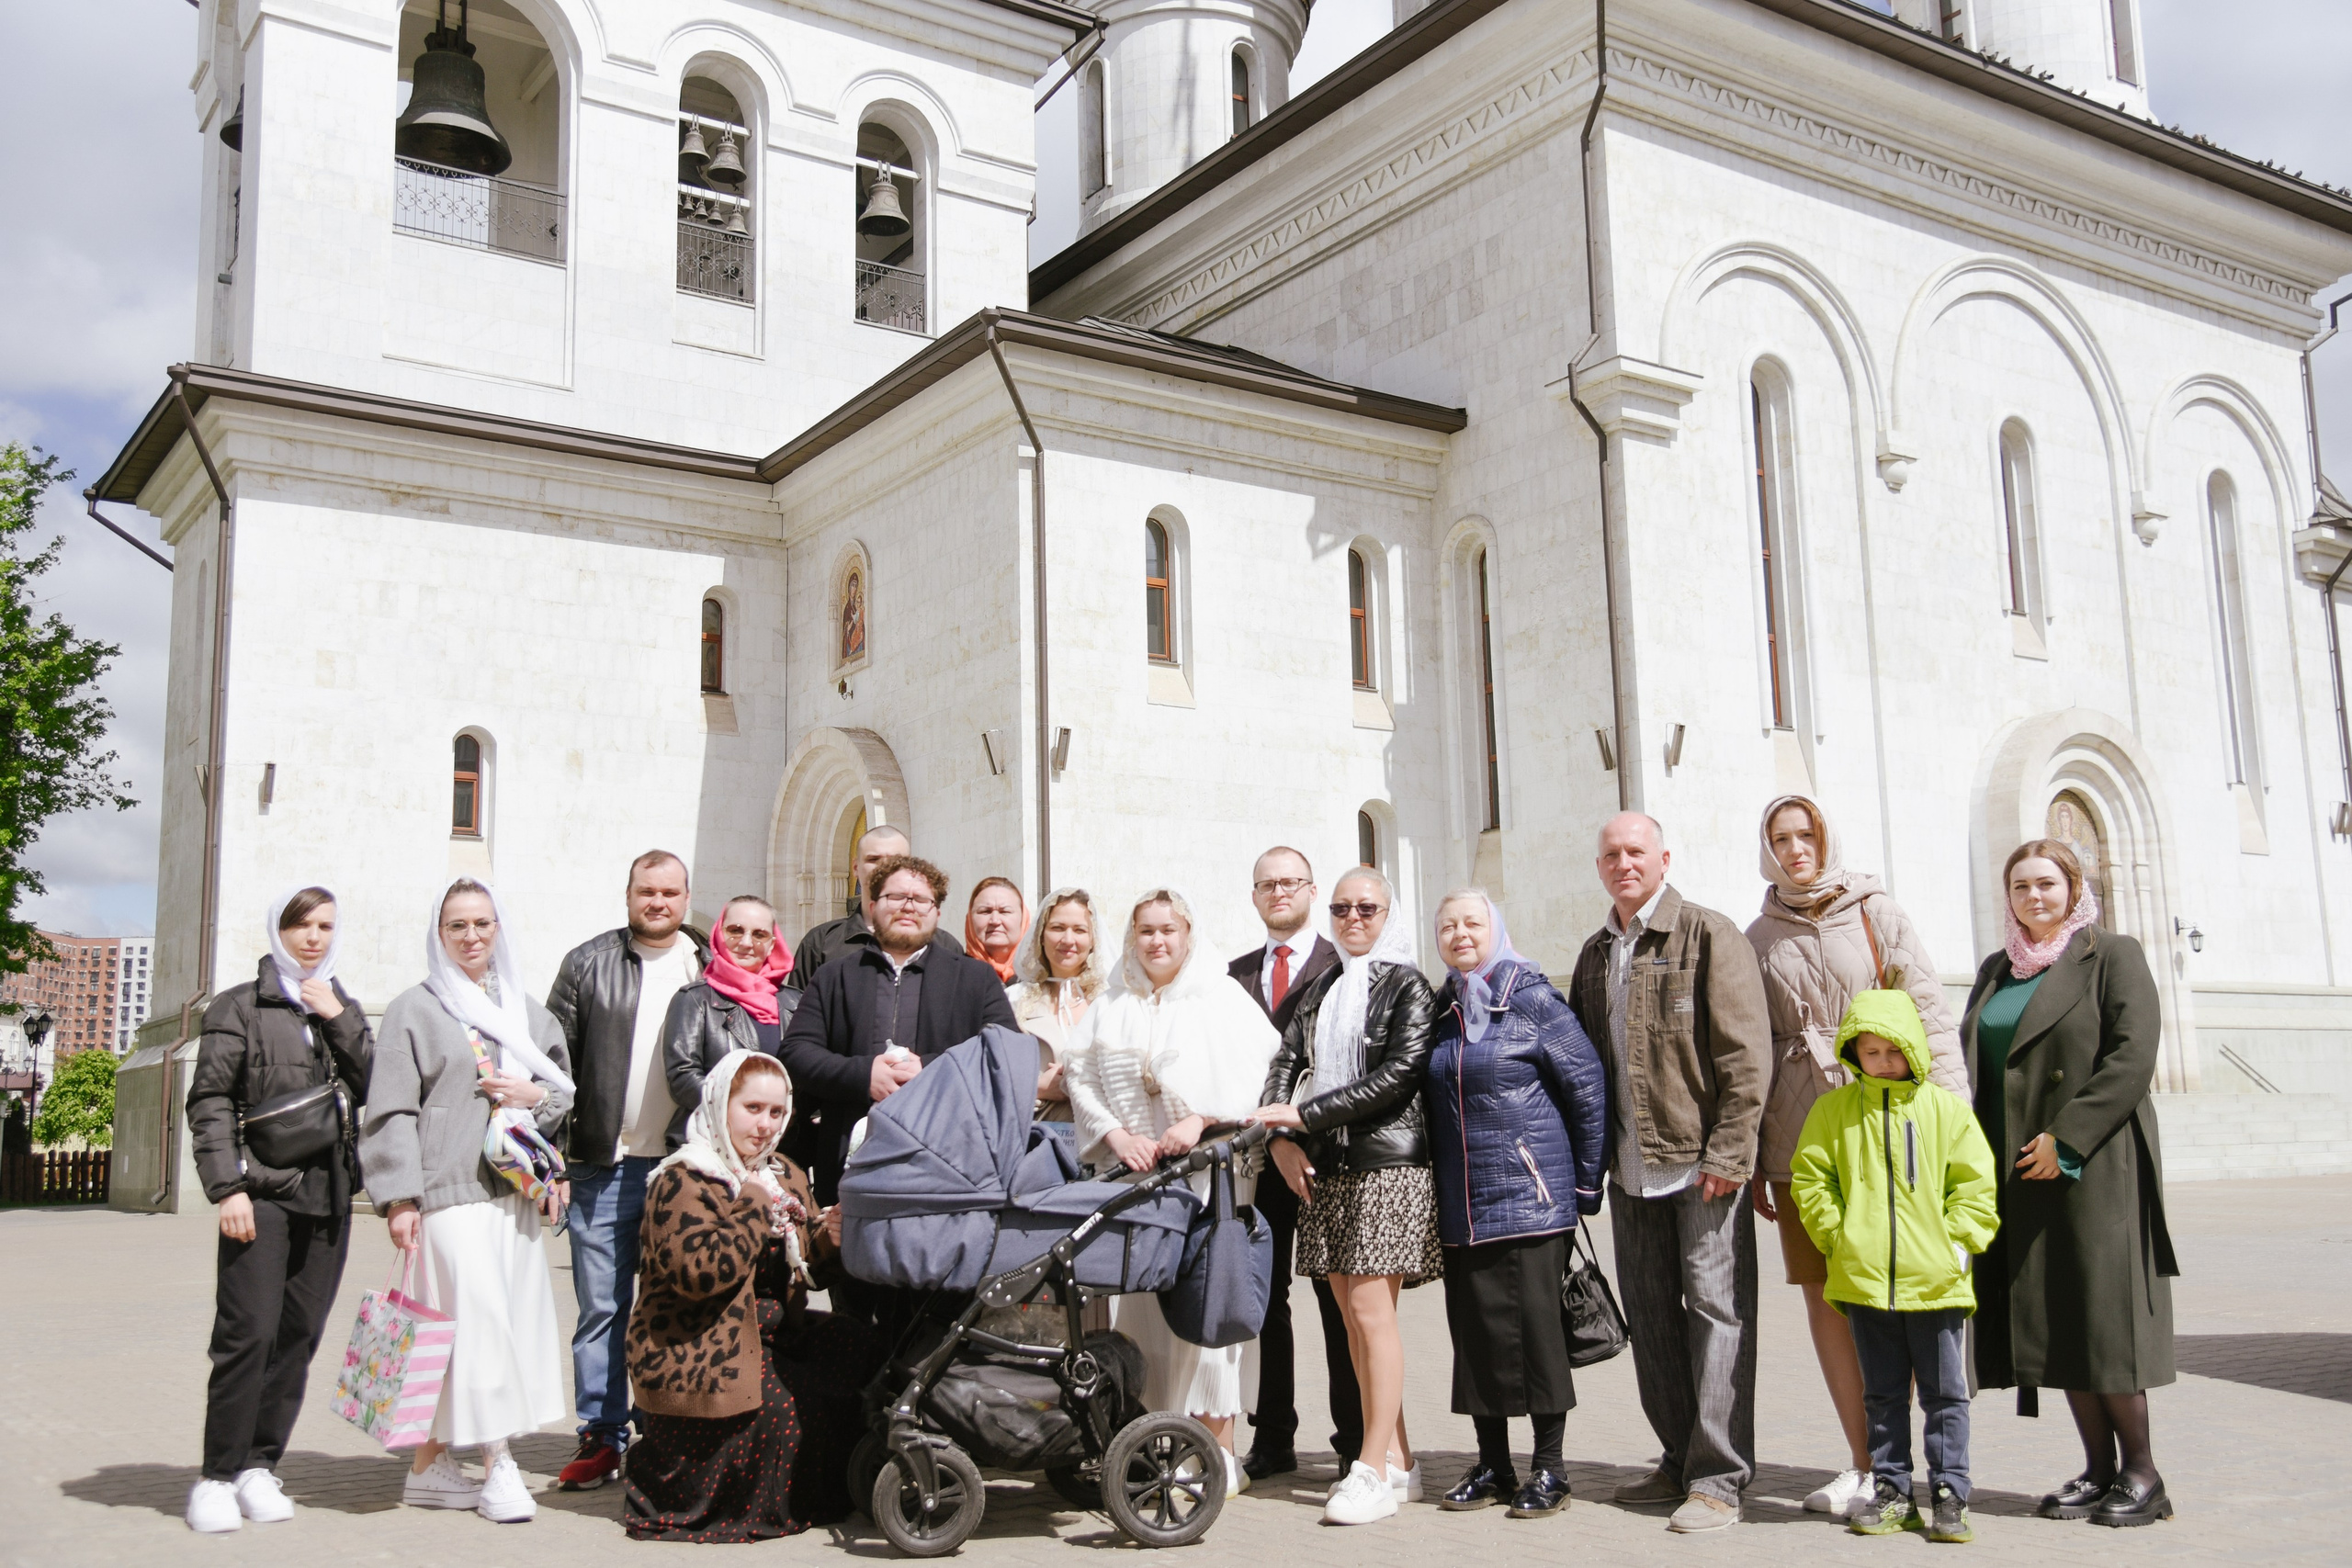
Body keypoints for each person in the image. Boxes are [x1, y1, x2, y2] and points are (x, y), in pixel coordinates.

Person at [1745, 794, 1969, 1518]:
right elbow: (1749, 1046)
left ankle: (1902, 1466)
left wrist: (1952, 1123)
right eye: (1782, 838)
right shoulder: (1758, 933)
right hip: (1801, 1139)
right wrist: (1750, 1149)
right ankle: (1865, 1462)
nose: (1796, 848)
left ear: (1827, 837)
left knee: (1894, 1299)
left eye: (1806, 834)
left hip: (1889, 1132)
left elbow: (1929, 1014)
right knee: (1828, 1300)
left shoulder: (1877, 912)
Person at [1961, 840, 2177, 1528]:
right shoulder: (1998, 969)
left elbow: (2132, 1057)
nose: (2034, 896)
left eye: (2047, 883)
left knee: (2103, 1321)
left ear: (2073, 886)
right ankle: (2100, 1468)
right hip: (2017, 1168)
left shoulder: (2112, 954)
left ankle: (2145, 1472)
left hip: (2094, 1166)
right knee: (2058, 1322)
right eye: (2020, 885)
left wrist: (2069, 1139)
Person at [1567, 813, 1770, 1533]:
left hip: (1701, 1165)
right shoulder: (1597, 953)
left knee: (1716, 1313)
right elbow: (1587, 1067)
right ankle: (1679, 1455)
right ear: (1600, 866)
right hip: (1629, 1169)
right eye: (1611, 854)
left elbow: (1746, 1055)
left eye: (1636, 851)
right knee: (1651, 1316)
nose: (1624, 863)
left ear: (1663, 858)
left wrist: (1729, 1152)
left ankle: (1719, 1476)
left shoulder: (1709, 934)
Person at [361, 878, 573, 1524]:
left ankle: (428, 1467)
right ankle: (498, 1458)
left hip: (511, 1193)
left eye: (482, 923)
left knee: (488, 1327)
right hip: (446, 1193)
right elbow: (391, 1107)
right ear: (439, 933)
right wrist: (398, 1196)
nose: (472, 935)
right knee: (480, 1327)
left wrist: (534, 1097)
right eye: (457, 925)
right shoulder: (414, 1009)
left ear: (498, 929)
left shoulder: (528, 1013)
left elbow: (564, 1091)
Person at [1065, 887, 1282, 1497]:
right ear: (1132, 937)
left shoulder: (1221, 996)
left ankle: (1217, 1449)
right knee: (1143, 1318)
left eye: (1168, 929)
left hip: (1209, 1178)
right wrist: (1114, 1131)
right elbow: (1080, 1076)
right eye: (1146, 931)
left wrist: (1203, 1119)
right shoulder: (1110, 1003)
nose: (1158, 941)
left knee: (1210, 1306)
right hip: (1134, 1180)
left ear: (1188, 932)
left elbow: (1259, 1071)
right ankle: (1159, 1444)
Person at [624, 1050, 879, 1540]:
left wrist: (828, 1239)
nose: (765, 1125)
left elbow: (807, 1271)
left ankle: (845, 1489)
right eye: (753, 1109)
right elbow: (700, 1274)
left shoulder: (782, 1171)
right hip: (695, 1340)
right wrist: (753, 1205)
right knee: (783, 1405)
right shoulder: (681, 1178)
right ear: (721, 1106)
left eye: (777, 1112)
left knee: (861, 1350)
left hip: (771, 1328)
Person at [183, 886, 373, 1535]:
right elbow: (210, 1101)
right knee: (247, 1334)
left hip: (330, 1198)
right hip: (260, 1196)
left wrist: (340, 1017)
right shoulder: (240, 1006)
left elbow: (376, 1081)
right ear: (278, 929)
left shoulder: (337, 1004)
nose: (313, 937)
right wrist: (227, 1186)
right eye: (300, 924)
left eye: (325, 925)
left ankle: (259, 1465)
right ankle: (215, 1474)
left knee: (297, 1337)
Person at [1255, 868, 1442, 1526]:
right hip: (1328, 1167)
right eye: (1341, 907)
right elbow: (1285, 1057)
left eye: (1366, 907)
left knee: (1370, 1314)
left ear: (1389, 911)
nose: (1353, 917)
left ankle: (1367, 1469)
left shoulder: (1407, 982)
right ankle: (1397, 1458)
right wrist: (1278, 1131)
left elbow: (1397, 1077)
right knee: (1352, 1318)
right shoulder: (1327, 985)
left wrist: (1304, 1117)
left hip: (1386, 1164)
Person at [1419, 889, 1605, 1522]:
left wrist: (1585, 1184)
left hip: (1531, 1199)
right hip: (1464, 1204)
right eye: (1448, 925)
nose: (1460, 934)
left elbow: (1585, 1083)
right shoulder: (1443, 1007)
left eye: (1472, 922)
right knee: (1473, 1336)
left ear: (1495, 927)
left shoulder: (1531, 997)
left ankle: (1550, 1467)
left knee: (1536, 1336)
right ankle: (1494, 1463)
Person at [1788, 989, 1997, 1545]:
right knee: (1880, 1394)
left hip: (1937, 1284)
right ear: (1854, 1053)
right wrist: (1839, 1237)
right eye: (1870, 1051)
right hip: (1865, 1282)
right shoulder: (1833, 1112)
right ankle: (1892, 1491)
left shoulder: (1945, 1111)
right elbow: (1812, 1179)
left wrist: (1957, 1244)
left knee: (1945, 1395)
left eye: (1892, 1050)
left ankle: (1951, 1493)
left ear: (1913, 1050)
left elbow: (1975, 1185)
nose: (1882, 1061)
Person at [778, 854, 1017, 1338]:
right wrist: (861, 1073)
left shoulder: (974, 979)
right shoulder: (835, 976)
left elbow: (1005, 1058)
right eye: (895, 897)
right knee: (856, 1326)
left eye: (920, 899)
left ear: (937, 911)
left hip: (945, 1184)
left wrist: (929, 1069)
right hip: (852, 1182)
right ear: (872, 904)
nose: (908, 906)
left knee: (935, 1329)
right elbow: (797, 1053)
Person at [543, 850, 708, 1491]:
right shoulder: (588, 963)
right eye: (647, 890)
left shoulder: (708, 963)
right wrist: (554, 1155)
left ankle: (663, 1423)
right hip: (601, 1165)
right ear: (629, 893)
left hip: (683, 1166)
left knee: (671, 1305)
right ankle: (602, 1434)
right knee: (602, 1308)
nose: (658, 902)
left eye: (670, 891)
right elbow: (555, 1066)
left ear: (686, 896)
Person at [1226, 845, 1362, 1482]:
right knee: (1264, 1295)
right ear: (1254, 896)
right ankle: (1273, 1433)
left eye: (1290, 882)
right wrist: (1271, 1136)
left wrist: (1300, 1135)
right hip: (1261, 1158)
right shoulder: (1233, 976)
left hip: (1329, 1160)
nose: (1278, 892)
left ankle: (1354, 1435)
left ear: (1310, 890)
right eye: (1266, 884)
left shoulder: (1345, 966)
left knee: (1337, 1297)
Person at [662, 894, 797, 1148]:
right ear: (719, 935)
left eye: (759, 934)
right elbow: (683, 1076)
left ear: (772, 944)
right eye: (736, 931)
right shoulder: (694, 999)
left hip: (781, 1148)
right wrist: (744, 1112)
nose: (746, 942)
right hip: (710, 1147)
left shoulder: (795, 1004)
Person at [787, 825, 963, 987]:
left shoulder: (944, 945)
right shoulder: (820, 944)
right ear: (856, 868)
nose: (884, 867)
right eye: (874, 859)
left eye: (895, 860)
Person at [1007, 886, 1108, 1122]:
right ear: (1041, 935)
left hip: (1101, 1140)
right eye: (1057, 928)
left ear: (1093, 940)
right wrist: (1036, 1086)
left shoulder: (1110, 1001)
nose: (1068, 940)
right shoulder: (1014, 999)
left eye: (1080, 930)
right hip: (1034, 1135)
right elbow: (993, 1072)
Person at [965, 876, 1028, 984]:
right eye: (985, 911)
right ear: (970, 919)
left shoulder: (1044, 978)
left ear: (1023, 919)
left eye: (1005, 911)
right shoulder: (954, 975)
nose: (995, 921)